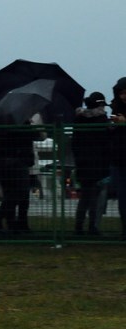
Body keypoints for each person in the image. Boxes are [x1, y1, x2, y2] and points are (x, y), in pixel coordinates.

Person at [72, 92, 110, 236]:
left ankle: (79, 226)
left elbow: (75, 142)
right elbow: (105, 141)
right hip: (97, 162)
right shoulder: (101, 119)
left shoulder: (79, 119)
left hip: (82, 162)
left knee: (85, 197)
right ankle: (92, 227)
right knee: (94, 196)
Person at [108, 77, 126, 239]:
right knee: (122, 197)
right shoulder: (115, 107)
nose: (123, 96)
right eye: (121, 93)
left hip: (119, 157)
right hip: (118, 158)